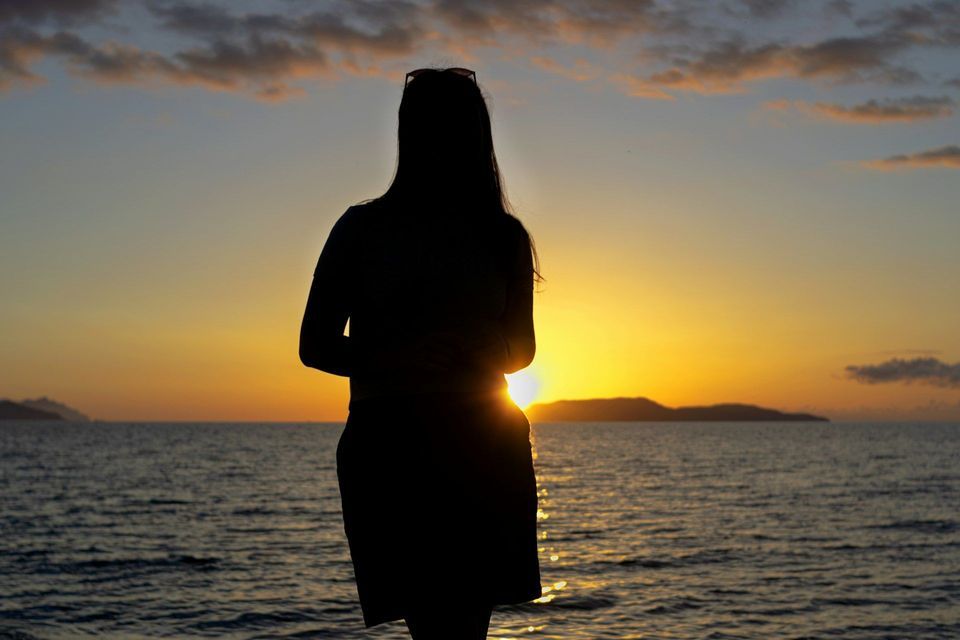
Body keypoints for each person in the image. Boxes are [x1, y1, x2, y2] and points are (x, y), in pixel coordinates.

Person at [299, 67, 543, 639]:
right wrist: (401, 356)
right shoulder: (362, 230)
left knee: (462, 631)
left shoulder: (503, 237)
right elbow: (314, 346)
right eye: (431, 127)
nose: (444, 143)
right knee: (437, 630)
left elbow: (524, 348)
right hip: (392, 444)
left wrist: (491, 346)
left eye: (455, 128)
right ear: (411, 134)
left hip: (484, 439)